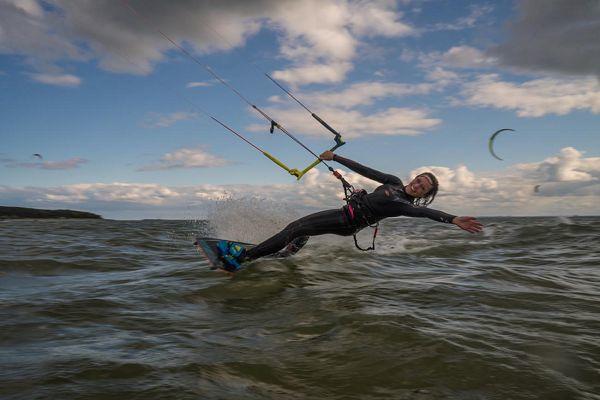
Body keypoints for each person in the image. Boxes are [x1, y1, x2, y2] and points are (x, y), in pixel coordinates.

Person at [218, 151, 483, 270]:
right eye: (418, 180)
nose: (416, 185)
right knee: (301, 230)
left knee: (297, 227)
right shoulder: (393, 182)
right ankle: (285, 254)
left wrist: (453, 219)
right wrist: (337, 158)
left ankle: (244, 258)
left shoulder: (404, 205)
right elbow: (366, 170)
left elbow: (426, 214)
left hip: (348, 223)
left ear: (424, 195)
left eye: (422, 188)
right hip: (343, 214)